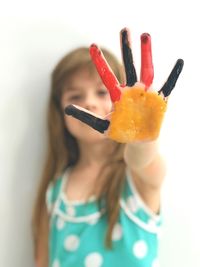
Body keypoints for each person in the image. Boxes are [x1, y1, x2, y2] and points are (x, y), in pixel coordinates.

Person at [32, 29, 183, 267]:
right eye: (76, 95)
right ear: (59, 111)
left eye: (102, 92)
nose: (89, 102)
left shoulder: (136, 178)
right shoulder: (55, 192)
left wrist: (140, 136)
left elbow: (143, 160)